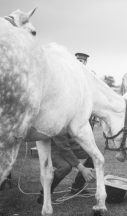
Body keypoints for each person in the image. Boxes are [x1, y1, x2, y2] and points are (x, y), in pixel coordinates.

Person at [37, 52, 96, 204]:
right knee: (65, 166)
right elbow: (62, 144)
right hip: (54, 142)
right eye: (78, 60)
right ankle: (44, 193)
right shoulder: (62, 87)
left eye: (84, 61)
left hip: (70, 138)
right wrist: (81, 168)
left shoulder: (81, 86)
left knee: (94, 153)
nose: (81, 63)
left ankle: (77, 187)